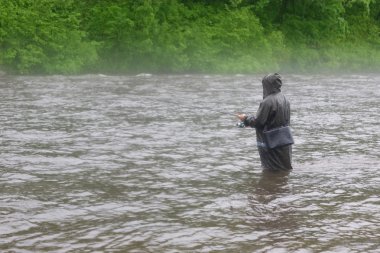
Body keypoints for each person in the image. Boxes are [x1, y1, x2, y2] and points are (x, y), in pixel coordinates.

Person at [237, 73, 293, 171]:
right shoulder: (285, 99)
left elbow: (258, 122)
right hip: (284, 140)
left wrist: (245, 118)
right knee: (284, 168)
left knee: (270, 169)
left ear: (268, 85)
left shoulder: (267, 101)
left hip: (270, 142)